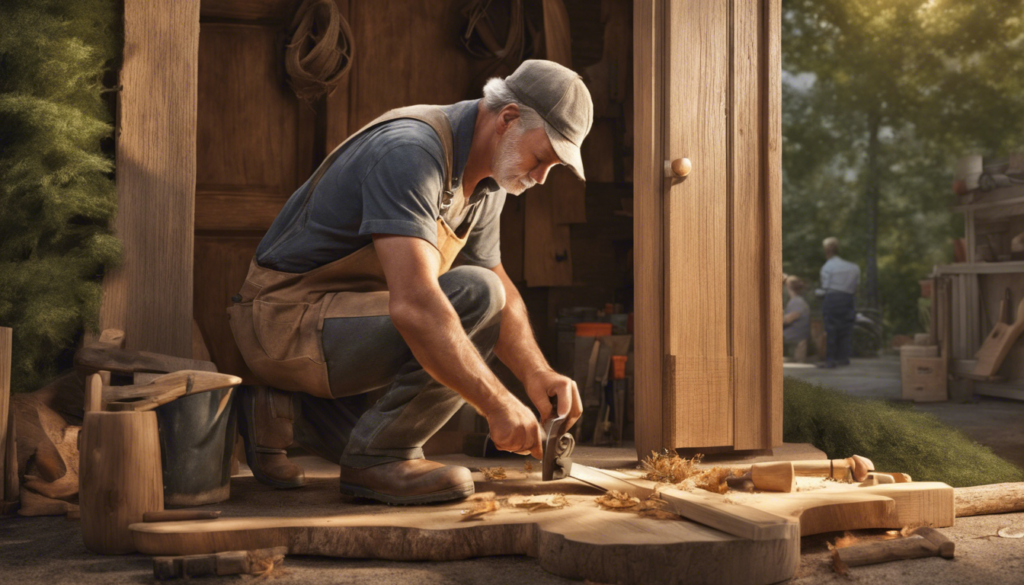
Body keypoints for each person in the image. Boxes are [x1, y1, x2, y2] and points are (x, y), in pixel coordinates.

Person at [226, 60, 589, 504]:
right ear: (508, 118)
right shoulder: (411, 152)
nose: (539, 177)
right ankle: (381, 459)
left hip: (345, 323)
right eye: (540, 159)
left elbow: (500, 285)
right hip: (281, 321)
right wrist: (497, 403)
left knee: (483, 292)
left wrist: (537, 372)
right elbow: (417, 306)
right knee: (472, 294)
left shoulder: (489, 178)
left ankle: (285, 410)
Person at [815, 237, 860, 368]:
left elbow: (825, 289)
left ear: (826, 251)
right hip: (848, 300)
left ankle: (830, 360)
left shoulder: (827, 267)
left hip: (833, 300)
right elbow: (856, 287)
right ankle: (843, 358)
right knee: (846, 329)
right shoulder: (854, 268)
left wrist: (816, 293)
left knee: (831, 329)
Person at [782, 275, 810, 361]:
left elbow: (786, 320)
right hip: (793, 335)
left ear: (788, 288)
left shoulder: (797, 302)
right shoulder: (797, 300)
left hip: (792, 336)